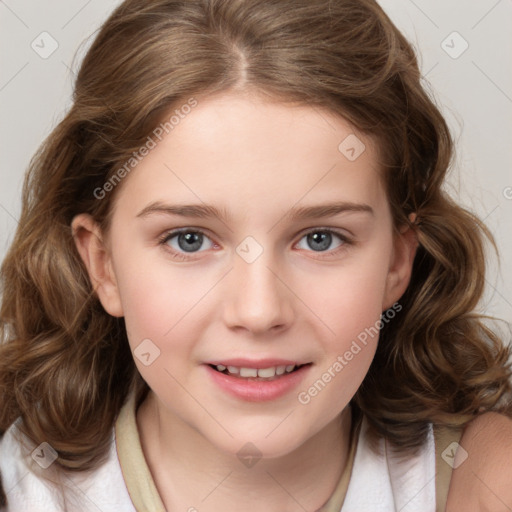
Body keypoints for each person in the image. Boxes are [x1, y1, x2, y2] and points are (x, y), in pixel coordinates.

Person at [1, 0, 511, 510]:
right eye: (189, 239)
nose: (259, 311)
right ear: (104, 266)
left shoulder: (482, 480)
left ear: (397, 263)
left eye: (320, 238)